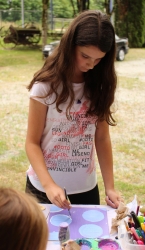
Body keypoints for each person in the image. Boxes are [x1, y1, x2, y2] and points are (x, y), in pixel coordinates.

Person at [25, 10, 121, 209]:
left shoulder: (99, 86)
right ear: (70, 46)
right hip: (43, 190)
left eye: (98, 59)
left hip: (86, 190)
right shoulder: (44, 86)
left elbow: (102, 137)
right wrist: (49, 185)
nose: (91, 64)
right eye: (85, 56)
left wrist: (110, 187)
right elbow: (32, 143)